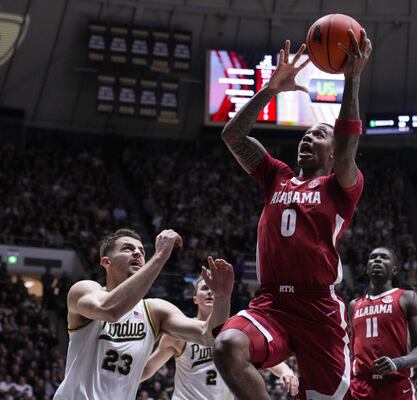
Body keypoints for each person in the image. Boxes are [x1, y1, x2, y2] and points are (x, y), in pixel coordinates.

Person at [213, 30, 372, 400]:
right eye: (306, 134)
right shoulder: (276, 175)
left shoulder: (341, 185)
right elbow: (232, 136)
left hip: (318, 309)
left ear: (333, 155)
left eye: (318, 134)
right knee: (226, 347)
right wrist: (269, 90)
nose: (307, 138)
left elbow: (349, 146)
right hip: (271, 304)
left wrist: (352, 78)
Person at [54, 228, 234, 400]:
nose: (138, 253)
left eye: (141, 250)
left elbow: (209, 336)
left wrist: (223, 297)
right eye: (127, 248)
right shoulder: (85, 290)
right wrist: (161, 256)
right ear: (106, 262)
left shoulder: (155, 311)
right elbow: (109, 310)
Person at [141, 276, 299, 399]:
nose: (210, 292)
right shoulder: (180, 332)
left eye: (213, 288)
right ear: (195, 298)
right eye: (204, 288)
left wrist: (287, 371)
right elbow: (148, 369)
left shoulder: (235, 333)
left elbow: (268, 358)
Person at [348, 246, 417, 399]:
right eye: (373, 257)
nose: (377, 259)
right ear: (367, 269)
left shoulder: (408, 297)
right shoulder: (354, 305)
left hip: (396, 386)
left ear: (394, 270)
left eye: (384, 257)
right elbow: (351, 350)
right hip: (360, 387)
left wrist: (398, 362)